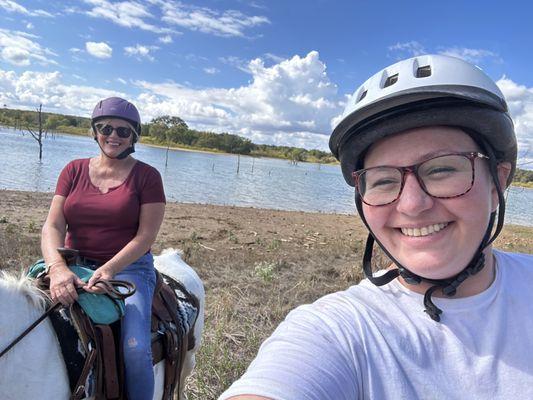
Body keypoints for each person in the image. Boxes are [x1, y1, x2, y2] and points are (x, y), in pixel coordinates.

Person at [219, 54, 533, 400]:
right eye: (384, 180)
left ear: (497, 183)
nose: (412, 205)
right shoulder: (339, 330)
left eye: (442, 170)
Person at [41, 97, 166, 400]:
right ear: (94, 131)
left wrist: (108, 269)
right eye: (106, 128)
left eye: (123, 131)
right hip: (72, 263)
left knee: (135, 349)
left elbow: (145, 236)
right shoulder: (73, 170)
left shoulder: (148, 177)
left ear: (134, 136)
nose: (113, 136)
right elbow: (53, 226)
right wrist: (57, 267)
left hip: (128, 269)